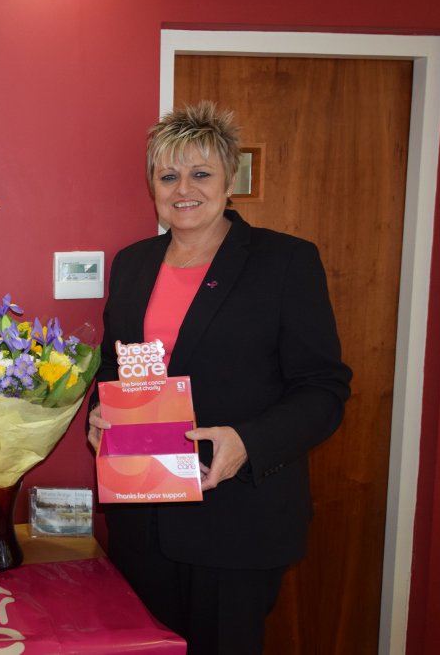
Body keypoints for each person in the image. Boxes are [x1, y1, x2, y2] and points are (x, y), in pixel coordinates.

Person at [88, 101, 351, 654]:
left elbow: (324, 389)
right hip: (142, 519)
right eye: (168, 175)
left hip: (237, 523)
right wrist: (100, 414)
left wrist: (248, 442)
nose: (184, 187)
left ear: (231, 178)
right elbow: (117, 367)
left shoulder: (284, 262)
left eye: (201, 172)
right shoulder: (133, 263)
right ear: (152, 185)